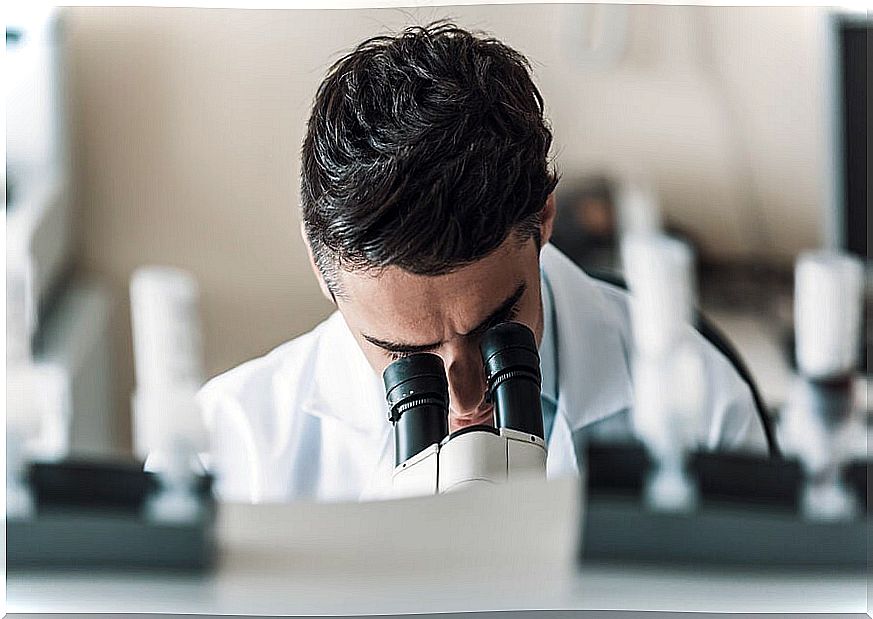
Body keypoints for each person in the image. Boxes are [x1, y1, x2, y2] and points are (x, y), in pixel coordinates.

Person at [198, 23, 768, 504]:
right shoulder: (232, 447)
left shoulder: (708, 412)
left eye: (497, 328)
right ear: (321, 268)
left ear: (544, 217)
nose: (466, 399)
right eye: (404, 356)